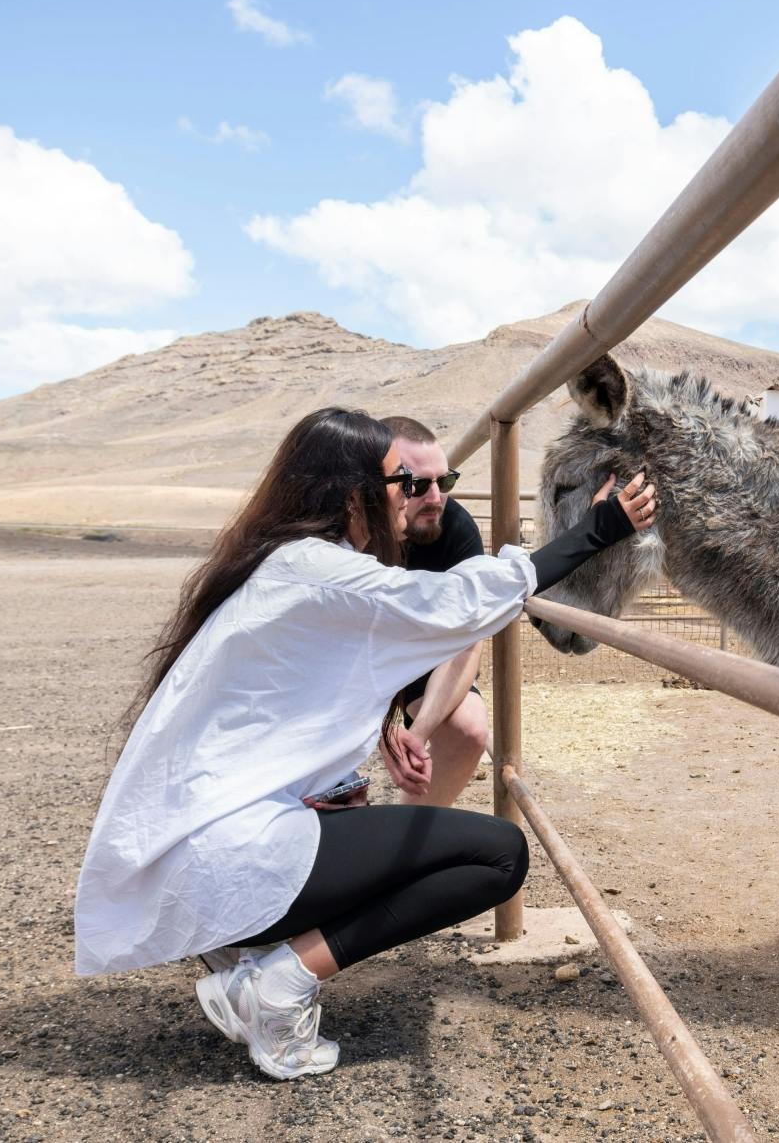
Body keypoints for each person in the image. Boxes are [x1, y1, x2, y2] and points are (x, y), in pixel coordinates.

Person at [73, 406, 656, 1081]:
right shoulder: (322, 571)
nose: (411, 500)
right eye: (398, 484)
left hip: (204, 844)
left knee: (386, 824)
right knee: (497, 856)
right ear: (355, 495)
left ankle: (247, 955)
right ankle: (279, 982)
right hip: (228, 854)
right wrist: (600, 528)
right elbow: (458, 605)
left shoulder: (283, 561)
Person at [374, 415, 494, 808]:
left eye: (445, 481)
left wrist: (416, 733)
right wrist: (377, 728)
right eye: (418, 485)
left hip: (421, 648)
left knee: (469, 729)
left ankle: (403, 844)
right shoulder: (349, 531)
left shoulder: (455, 527)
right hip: (353, 654)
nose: (436, 498)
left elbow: (467, 638)